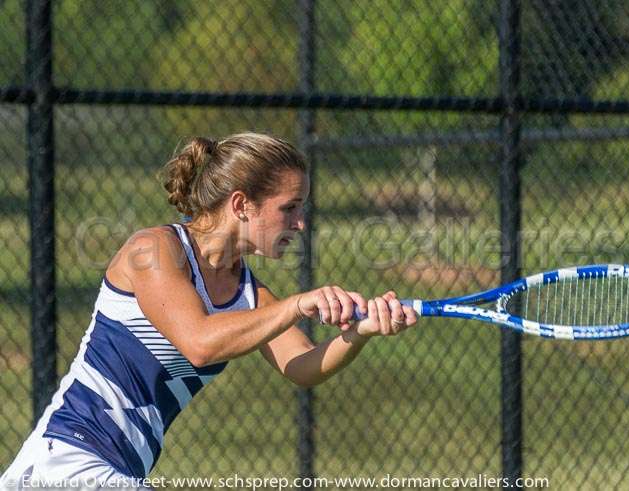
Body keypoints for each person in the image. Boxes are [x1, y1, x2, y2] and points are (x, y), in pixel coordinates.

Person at [1, 133, 418, 488]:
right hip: (67, 462)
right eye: (289, 208)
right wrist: (298, 303)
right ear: (241, 205)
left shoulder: (250, 294)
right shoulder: (153, 250)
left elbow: (302, 366)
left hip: (116, 470)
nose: (301, 223)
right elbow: (200, 342)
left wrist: (360, 332)